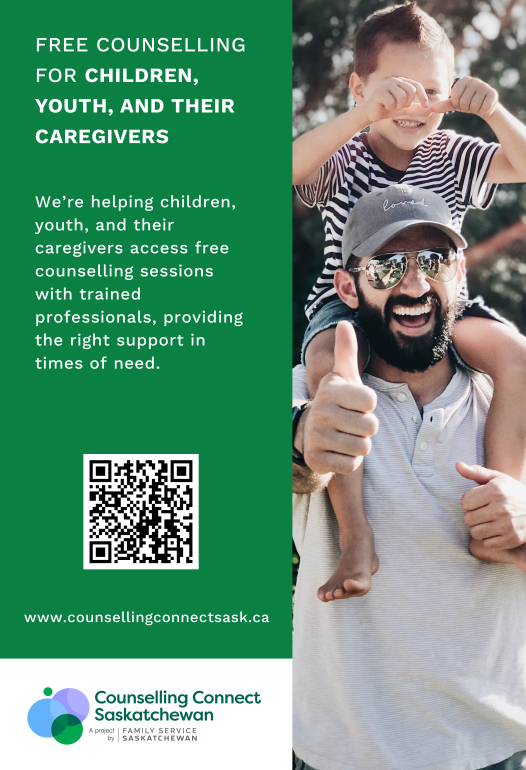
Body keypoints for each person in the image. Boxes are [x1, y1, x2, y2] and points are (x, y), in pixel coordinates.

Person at [293, 2, 526, 602]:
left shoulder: (451, 152)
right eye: (395, 91)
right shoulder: (343, 154)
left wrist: (494, 111)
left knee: (515, 354)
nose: (414, 106)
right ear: (360, 88)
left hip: (446, 308)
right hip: (348, 305)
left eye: (431, 90)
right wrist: (359, 117)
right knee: (330, 372)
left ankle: (499, 502)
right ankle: (355, 536)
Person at [292, 187, 526, 770]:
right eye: (389, 265)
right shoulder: (306, 390)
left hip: (493, 751)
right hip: (340, 757)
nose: (415, 284)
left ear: (460, 274)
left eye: (434, 261)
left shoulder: (512, 398)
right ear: (348, 288)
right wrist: (303, 440)